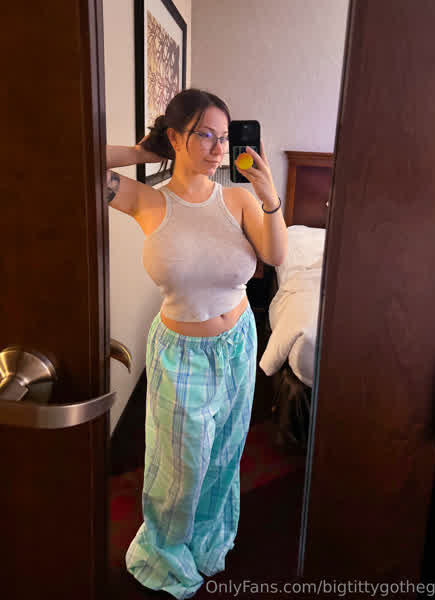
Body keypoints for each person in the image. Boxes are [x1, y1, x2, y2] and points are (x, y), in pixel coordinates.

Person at [106, 88, 287, 599]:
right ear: (175, 137)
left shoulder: (239, 198)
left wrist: (269, 194)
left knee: (225, 452)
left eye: (224, 137)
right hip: (178, 354)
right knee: (179, 465)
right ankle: (165, 551)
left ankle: (207, 539)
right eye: (204, 135)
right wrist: (142, 152)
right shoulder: (146, 199)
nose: (218, 148)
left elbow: (275, 255)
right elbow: (74, 158)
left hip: (237, 344)